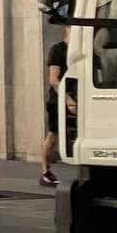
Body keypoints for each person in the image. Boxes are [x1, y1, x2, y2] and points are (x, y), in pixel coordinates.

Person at [42, 37, 70, 187]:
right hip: (58, 100)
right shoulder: (58, 49)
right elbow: (53, 79)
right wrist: (67, 99)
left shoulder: (81, 48)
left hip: (77, 99)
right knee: (53, 135)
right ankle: (46, 173)